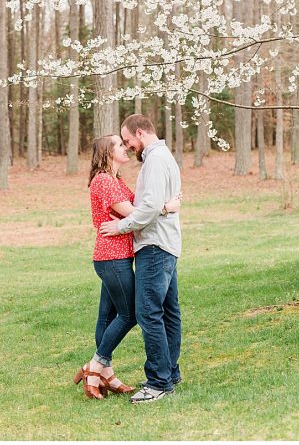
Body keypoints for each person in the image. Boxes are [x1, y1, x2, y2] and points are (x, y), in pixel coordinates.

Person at [74, 134, 180, 400]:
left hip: (118, 256)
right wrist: (166, 207)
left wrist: (153, 206)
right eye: (120, 145)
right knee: (131, 313)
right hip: (112, 257)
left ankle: (104, 374)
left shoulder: (116, 180)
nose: (126, 147)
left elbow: (138, 207)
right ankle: (96, 365)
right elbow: (135, 212)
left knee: (107, 316)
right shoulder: (103, 181)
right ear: (108, 152)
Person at [100, 114, 183, 403]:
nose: (128, 146)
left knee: (148, 312)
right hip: (167, 244)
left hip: (154, 246)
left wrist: (120, 226)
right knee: (169, 312)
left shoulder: (156, 160)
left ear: (139, 133)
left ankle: (158, 382)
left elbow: (147, 209)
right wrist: (164, 206)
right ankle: (169, 372)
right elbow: (158, 202)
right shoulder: (163, 157)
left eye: (127, 141)